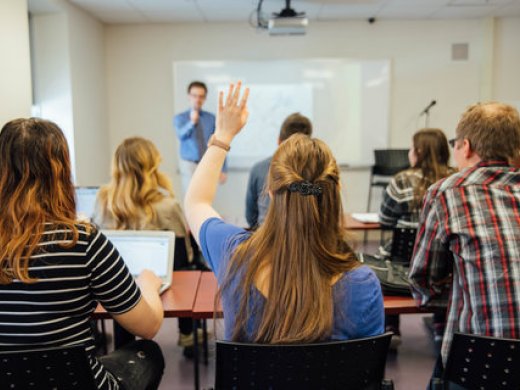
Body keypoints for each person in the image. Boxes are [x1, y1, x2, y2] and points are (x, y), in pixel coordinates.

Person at [185, 82, 384, 343]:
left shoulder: (234, 254)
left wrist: (222, 136)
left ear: (270, 192)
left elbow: (195, 202)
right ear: (335, 194)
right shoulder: (363, 285)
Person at [0, 118, 165, 390]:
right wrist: (147, 284)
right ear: (61, 171)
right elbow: (147, 327)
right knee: (148, 352)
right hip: (77, 383)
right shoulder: (82, 241)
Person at [408, 102, 520, 383]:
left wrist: (472, 285)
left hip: (485, 361)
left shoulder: (447, 193)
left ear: (466, 147)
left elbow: (423, 283)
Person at [93, 136, 196, 358]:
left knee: (121, 286)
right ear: (152, 167)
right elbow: (183, 257)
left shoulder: (103, 201)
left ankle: (123, 351)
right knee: (188, 269)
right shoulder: (167, 205)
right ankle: (187, 335)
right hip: (160, 282)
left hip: (110, 285)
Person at [378, 128, 455, 347]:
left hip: (404, 257)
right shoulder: (454, 178)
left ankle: (391, 326)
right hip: (444, 262)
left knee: (379, 260)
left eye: (412, 147)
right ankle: (440, 324)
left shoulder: (402, 180)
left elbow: (385, 218)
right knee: (446, 264)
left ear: (419, 151)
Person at [245, 112, 313, 229]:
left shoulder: (258, 169)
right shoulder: (317, 171)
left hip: (265, 238)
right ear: (309, 144)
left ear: (279, 140)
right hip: (308, 241)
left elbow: (251, 217)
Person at [174, 81, 227, 195]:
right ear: (189, 96)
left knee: (205, 196)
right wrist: (192, 122)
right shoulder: (180, 118)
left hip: (207, 163)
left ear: (205, 98)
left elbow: (219, 143)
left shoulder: (211, 118)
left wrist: (222, 168)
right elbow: (181, 135)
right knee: (191, 196)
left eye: (201, 96)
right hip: (189, 164)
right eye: (194, 96)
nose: (198, 99)